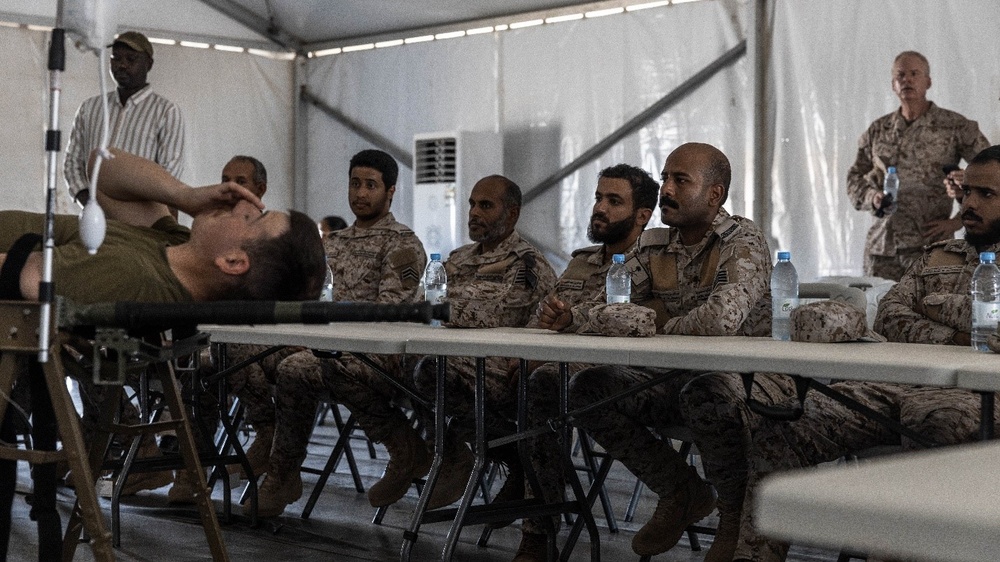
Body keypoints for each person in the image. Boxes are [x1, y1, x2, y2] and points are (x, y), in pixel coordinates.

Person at [733, 145, 1000, 562]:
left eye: (986, 194)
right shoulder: (939, 255)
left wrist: (933, 307)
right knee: (789, 424)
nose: (968, 203)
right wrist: (964, 332)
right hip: (895, 385)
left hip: (980, 398)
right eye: (967, 192)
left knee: (938, 422)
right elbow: (890, 318)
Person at [553, 143, 792, 562]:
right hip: (673, 378)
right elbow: (611, 305)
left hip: (748, 384)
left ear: (715, 194)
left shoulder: (743, 240)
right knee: (589, 386)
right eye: (665, 178)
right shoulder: (654, 244)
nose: (666, 189)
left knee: (706, 391)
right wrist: (603, 316)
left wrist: (649, 320)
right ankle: (680, 489)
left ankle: (732, 517)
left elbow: (721, 321)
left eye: (680, 180)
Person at [252, 149, 427, 517]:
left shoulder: (402, 244)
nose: (360, 193)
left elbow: (390, 314)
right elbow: (305, 299)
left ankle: (401, 444)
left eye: (371, 185)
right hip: (323, 347)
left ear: (391, 191)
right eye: (354, 184)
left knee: (296, 369)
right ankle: (266, 443)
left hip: (375, 354)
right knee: (247, 356)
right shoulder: (331, 243)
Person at [514, 163, 659, 561]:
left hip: (615, 376)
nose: (600, 208)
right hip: (554, 366)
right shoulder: (581, 262)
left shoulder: (656, 264)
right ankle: (517, 466)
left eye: (614, 201)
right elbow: (541, 319)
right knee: (481, 378)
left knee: (540, 383)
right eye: (598, 198)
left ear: (642, 216)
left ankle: (537, 528)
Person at [409, 175, 557, 510]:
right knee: (404, 362)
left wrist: (441, 309)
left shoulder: (526, 263)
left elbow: (499, 312)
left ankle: (477, 452)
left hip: (503, 369)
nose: (474, 212)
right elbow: (420, 299)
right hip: (455, 360)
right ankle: (455, 452)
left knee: (430, 368)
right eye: (472, 204)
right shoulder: (458, 258)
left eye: (486, 205)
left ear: (512, 213)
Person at [846, 50, 989, 281]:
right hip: (883, 250)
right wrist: (872, 196)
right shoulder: (878, 130)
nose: (907, 80)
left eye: (914, 74)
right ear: (893, 84)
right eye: (900, 75)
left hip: (931, 247)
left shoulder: (954, 127)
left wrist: (958, 220)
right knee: (880, 313)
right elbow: (854, 176)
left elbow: (991, 173)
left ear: (928, 82)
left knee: (930, 312)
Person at [64, 32, 185, 209]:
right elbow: (72, 162)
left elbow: (169, 176)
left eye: (131, 59)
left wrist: (128, 210)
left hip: (141, 220)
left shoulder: (166, 112)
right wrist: (89, 202)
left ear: (149, 64)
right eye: (116, 58)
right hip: (93, 215)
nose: (122, 65)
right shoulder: (89, 108)